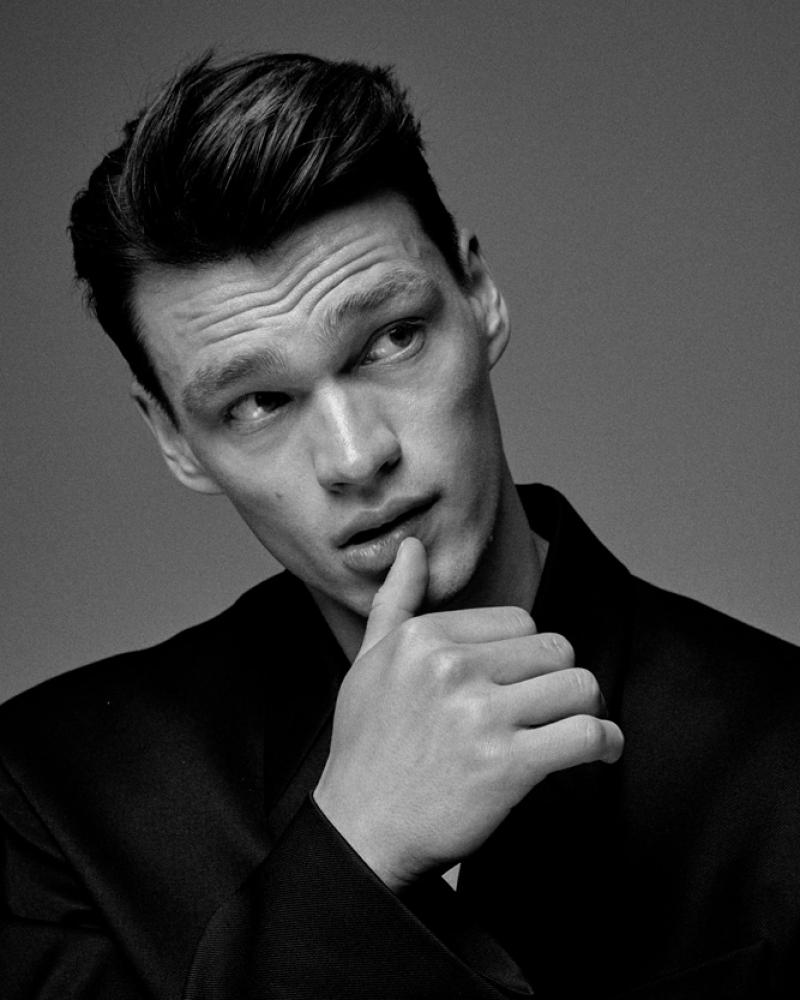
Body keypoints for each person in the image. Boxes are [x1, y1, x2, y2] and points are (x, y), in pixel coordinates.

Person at [0, 51, 797, 1000]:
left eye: (391, 338)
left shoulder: (780, 753)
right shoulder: (53, 798)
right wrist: (354, 855)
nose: (354, 456)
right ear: (175, 439)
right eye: (257, 402)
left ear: (479, 294)